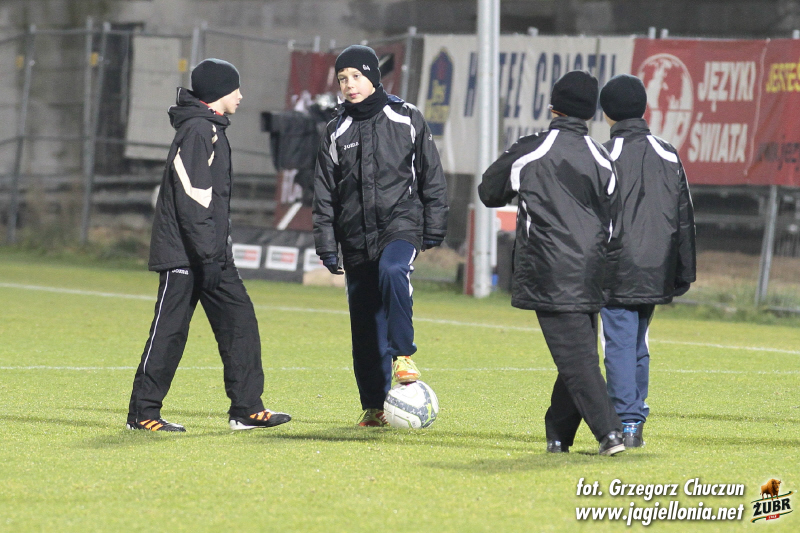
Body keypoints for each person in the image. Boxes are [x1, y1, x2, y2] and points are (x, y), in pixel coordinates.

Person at [126, 58, 291, 432]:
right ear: (219, 91)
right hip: (187, 254)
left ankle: (247, 409)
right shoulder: (199, 130)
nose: (241, 95)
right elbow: (194, 199)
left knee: (240, 321)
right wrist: (207, 256)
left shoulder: (210, 128)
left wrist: (216, 255)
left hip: (211, 255)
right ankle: (143, 414)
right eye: (236, 88)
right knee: (169, 333)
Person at [479, 70, 625, 455]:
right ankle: (558, 434)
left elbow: (489, 191)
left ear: (552, 107)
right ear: (591, 113)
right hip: (591, 268)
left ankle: (609, 433)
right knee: (577, 354)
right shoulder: (603, 157)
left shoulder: (532, 149)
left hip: (548, 267)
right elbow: (614, 221)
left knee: (577, 358)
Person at [313, 45, 448, 427]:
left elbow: (431, 175)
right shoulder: (335, 130)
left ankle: (404, 355)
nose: (349, 84)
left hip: (400, 223)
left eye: (356, 76)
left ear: (373, 77)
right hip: (355, 236)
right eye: (342, 78)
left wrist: (434, 224)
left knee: (393, 270)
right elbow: (324, 194)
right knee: (364, 325)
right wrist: (327, 244)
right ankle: (374, 407)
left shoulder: (406, 117)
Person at [598, 74, 696, 447]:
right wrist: (683, 271)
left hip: (616, 266)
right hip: (657, 265)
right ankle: (634, 419)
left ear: (606, 113)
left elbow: (593, 217)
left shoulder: (604, 155)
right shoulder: (668, 153)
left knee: (619, 343)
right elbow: (684, 216)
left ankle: (627, 422)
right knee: (637, 341)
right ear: (643, 108)